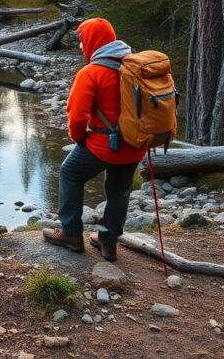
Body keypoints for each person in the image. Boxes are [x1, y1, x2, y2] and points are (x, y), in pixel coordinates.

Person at [42, 18, 146, 261]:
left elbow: (77, 117)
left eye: (82, 41)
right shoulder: (136, 67)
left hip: (103, 146)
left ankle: (70, 234)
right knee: (119, 190)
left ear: (92, 41)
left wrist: (79, 139)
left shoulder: (92, 72)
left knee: (70, 173)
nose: (81, 47)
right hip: (136, 144)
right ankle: (108, 243)